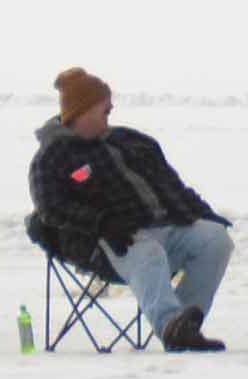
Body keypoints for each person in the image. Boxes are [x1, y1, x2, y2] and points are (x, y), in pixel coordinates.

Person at [28, 67, 234, 352]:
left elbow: (173, 186)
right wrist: (101, 223)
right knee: (146, 250)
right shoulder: (52, 156)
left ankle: (184, 326)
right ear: (82, 110)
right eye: (104, 106)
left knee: (216, 240)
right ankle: (170, 324)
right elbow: (51, 208)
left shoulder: (133, 141)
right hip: (108, 240)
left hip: (166, 227)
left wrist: (205, 213)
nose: (111, 110)